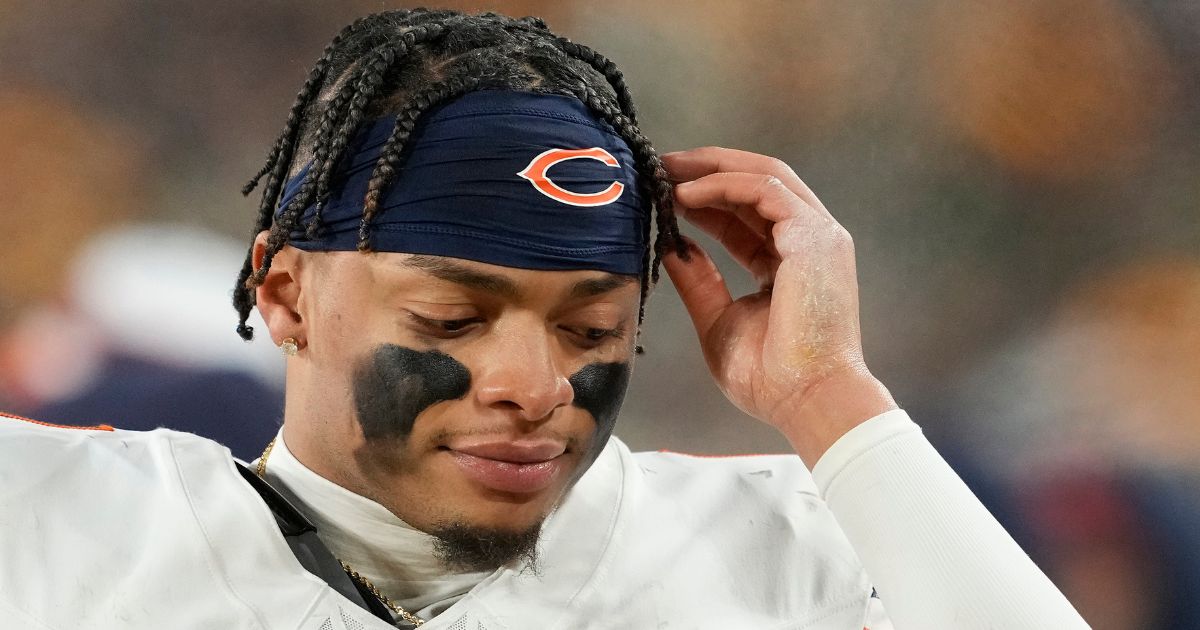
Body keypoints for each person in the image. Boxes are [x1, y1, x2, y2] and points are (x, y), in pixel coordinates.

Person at [0, 9, 1089, 629]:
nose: (533, 384)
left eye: (591, 330)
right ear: (285, 294)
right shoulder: (56, 524)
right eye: (452, 319)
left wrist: (828, 397)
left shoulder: (775, 550)